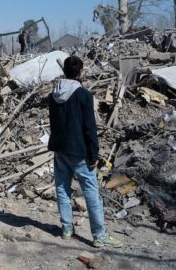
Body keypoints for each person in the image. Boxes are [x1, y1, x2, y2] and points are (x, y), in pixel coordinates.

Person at [48, 56, 123, 248]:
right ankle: (99, 235)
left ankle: (67, 229)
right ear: (80, 72)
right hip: (79, 151)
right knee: (91, 192)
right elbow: (89, 127)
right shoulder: (83, 95)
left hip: (60, 150)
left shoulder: (53, 95)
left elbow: (54, 123)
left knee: (62, 188)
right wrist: (93, 154)